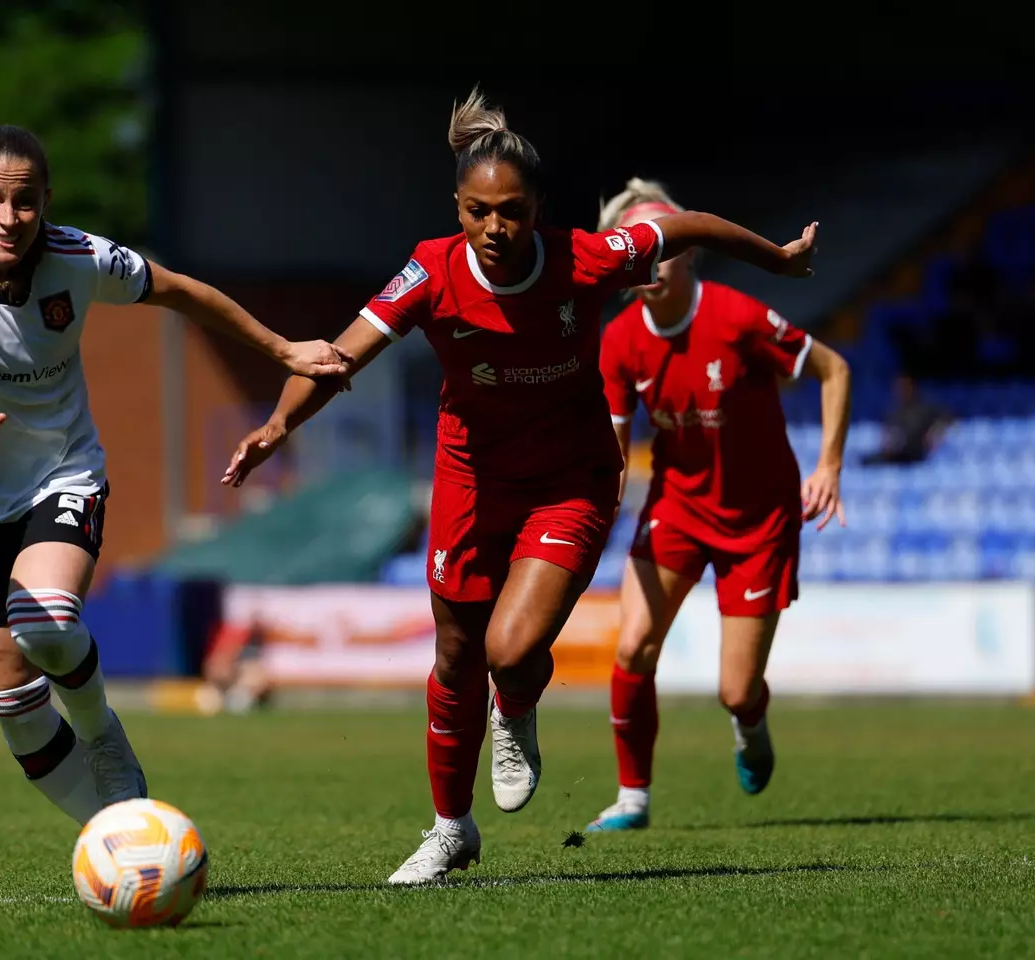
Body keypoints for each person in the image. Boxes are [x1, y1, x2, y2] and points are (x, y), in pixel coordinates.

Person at [222, 90, 820, 884]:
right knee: (457, 653)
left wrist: (775, 260)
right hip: (470, 477)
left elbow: (687, 226)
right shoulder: (429, 271)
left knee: (509, 649)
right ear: (457, 208)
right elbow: (339, 355)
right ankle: (449, 829)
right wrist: (277, 427)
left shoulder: (585, 258)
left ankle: (519, 708)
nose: (494, 229)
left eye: (511, 211)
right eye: (477, 212)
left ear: (539, 208)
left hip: (570, 480)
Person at [0, 124, 352, 827]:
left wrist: (281, 348)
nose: (9, 217)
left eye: (26, 201)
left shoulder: (81, 257)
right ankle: (120, 834)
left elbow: (182, 292)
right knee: (8, 689)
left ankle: (102, 734)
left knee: (43, 623)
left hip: (60, 473)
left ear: (47, 202)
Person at [588, 179, 851, 831]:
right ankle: (633, 797)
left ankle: (751, 721)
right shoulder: (618, 342)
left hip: (758, 519)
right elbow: (614, 457)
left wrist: (830, 466)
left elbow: (834, 369)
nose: (651, 263)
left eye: (664, 248)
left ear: (692, 251)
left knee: (734, 690)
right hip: (675, 508)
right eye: (637, 253)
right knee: (632, 649)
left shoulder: (739, 319)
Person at [862, 373, 948, 465]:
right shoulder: (895, 411)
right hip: (897, 453)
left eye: (906, 387)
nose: (902, 391)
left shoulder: (925, 409)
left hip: (917, 454)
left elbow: (945, 421)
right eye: (900, 387)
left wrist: (933, 434)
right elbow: (888, 437)